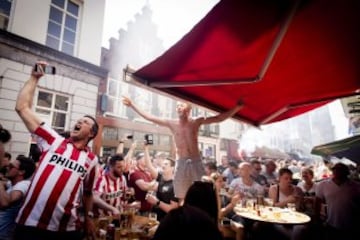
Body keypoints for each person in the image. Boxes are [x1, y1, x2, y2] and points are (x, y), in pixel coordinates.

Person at [14, 62, 99, 240]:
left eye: (85, 122)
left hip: (66, 231)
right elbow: (22, 108)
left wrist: (89, 218)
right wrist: (34, 78)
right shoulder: (53, 139)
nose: (79, 121)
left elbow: (89, 193)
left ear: (91, 133)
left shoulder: (91, 160)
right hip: (29, 225)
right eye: (79, 119)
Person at [123, 96, 243, 201]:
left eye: (182, 105)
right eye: (177, 106)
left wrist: (236, 108)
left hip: (195, 161)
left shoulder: (196, 121)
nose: (179, 107)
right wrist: (132, 105)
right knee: (181, 195)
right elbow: (150, 117)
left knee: (202, 192)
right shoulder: (172, 123)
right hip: (181, 162)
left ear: (189, 109)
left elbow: (218, 118)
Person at [316, 162, 360, 240]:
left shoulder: (355, 186)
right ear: (332, 171)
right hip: (331, 224)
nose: (337, 172)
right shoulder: (323, 185)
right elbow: (317, 202)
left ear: (346, 172)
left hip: (352, 226)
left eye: (341, 170)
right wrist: (318, 219)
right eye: (335, 169)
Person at [0, 155, 36, 240]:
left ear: (21, 172)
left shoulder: (23, 185)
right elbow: (6, 183)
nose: (7, 168)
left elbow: (5, 202)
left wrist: (0, 184)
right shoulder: (12, 183)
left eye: (11, 166)